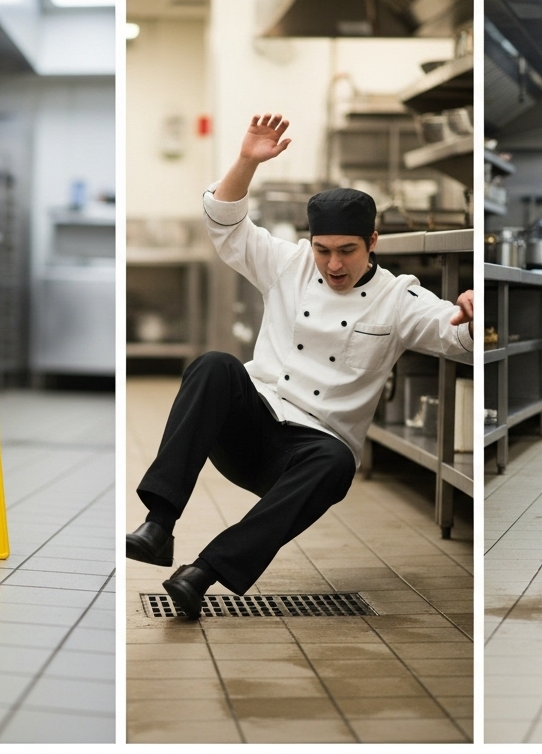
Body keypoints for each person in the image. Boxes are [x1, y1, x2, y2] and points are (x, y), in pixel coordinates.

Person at [125, 113, 474, 617]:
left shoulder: (398, 298)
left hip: (309, 454)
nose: (333, 265)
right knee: (214, 365)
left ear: (372, 243)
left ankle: (203, 573)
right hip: (252, 425)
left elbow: (453, 335)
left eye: (348, 252)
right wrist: (246, 160)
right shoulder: (288, 264)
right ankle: (159, 524)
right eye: (324, 250)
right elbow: (225, 222)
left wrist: (469, 317)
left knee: (338, 463)